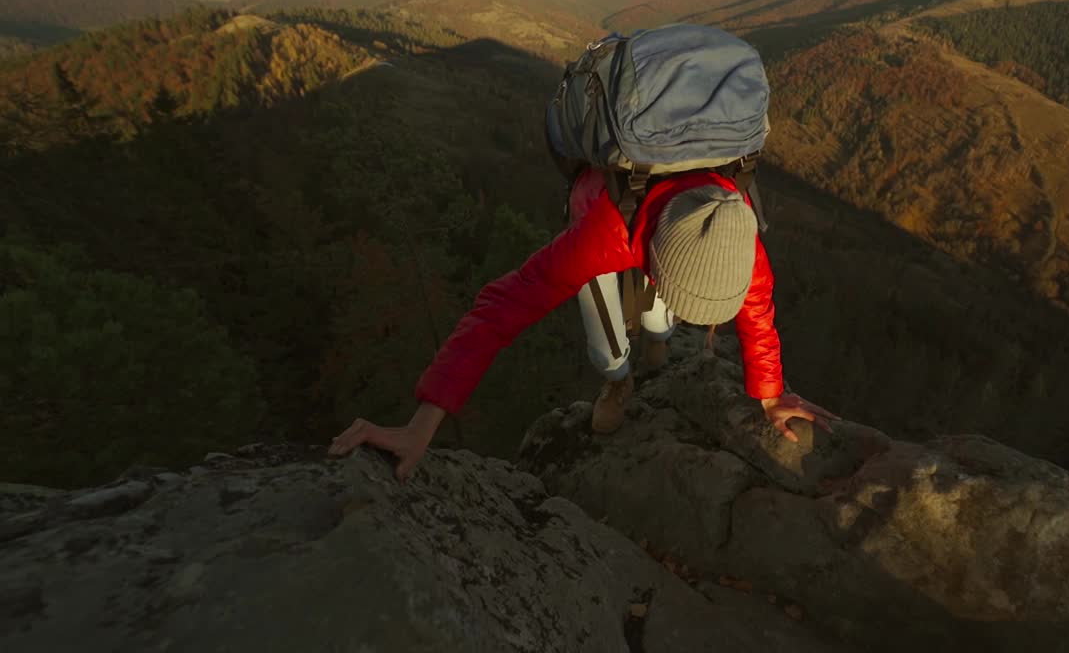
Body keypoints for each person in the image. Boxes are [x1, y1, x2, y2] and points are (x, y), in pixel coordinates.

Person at [330, 29, 838, 481]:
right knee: (602, 313)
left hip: (665, 232)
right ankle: (617, 381)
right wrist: (424, 422)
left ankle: (657, 344)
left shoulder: (736, 230)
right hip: (608, 215)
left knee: (661, 315)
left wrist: (770, 393)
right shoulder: (603, 233)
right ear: (653, 259)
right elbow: (500, 309)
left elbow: (758, 313)